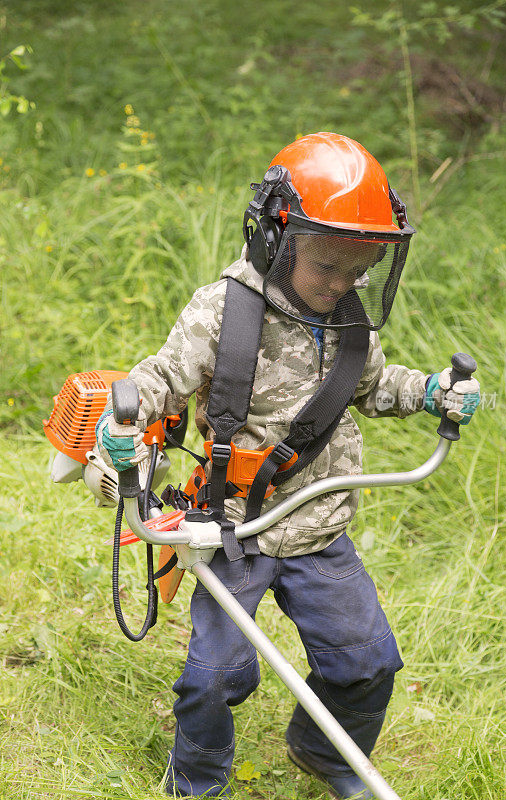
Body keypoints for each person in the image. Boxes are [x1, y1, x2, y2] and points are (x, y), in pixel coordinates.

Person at [96, 133, 480, 799]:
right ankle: (198, 778)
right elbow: (159, 379)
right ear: (276, 241)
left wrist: (426, 392)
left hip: (317, 526)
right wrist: (116, 430)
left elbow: (372, 387)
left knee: (366, 664)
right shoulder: (223, 312)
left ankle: (325, 753)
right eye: (327, 266)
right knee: (213, 678)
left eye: (358, 271)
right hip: (232, 527)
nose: (340, 284)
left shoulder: (350, 319)